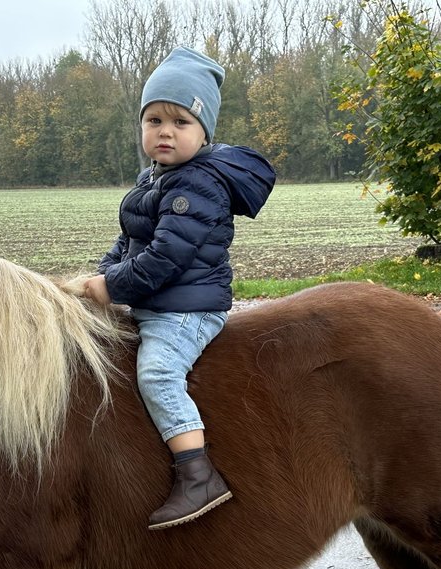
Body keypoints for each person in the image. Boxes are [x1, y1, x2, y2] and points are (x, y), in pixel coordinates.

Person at [80, 47, 276, 530]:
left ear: (204, 132)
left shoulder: (199, 184)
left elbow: (165, 259)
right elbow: (128, 243)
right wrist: (97, 280)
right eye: (153, 119)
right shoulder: (154, 180)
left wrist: (111, 287)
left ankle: (197, 473)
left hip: (186, 310)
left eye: (180, 121)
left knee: (157, 374)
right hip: (157, 303)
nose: (165, 131)